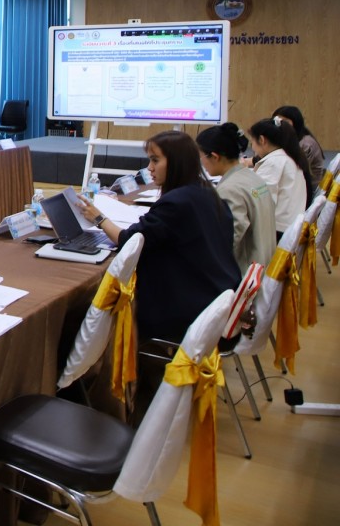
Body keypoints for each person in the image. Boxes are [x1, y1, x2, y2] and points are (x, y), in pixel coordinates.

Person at [76, 131, 239, 421]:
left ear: (175, 162)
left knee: (98, 309)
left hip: (186, 311)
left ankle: (102, 402)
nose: (149, 168)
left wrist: (98, 218)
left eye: (155, 160)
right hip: (216, 301)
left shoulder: (177, 203)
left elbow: (129, 239)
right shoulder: (208, 194)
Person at [197, 123, 276, 272]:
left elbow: (227, 241)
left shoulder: (230, 190)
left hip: (246, 275)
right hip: (264, 266)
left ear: (215, 157)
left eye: (201, 157)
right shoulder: (252, 177)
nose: (201, 163)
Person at [248, 117, 311, 238]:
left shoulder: (273, 163)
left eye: (252, 142)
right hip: (287, 228)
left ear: (262, 140)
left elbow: (260, 202)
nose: (252, 148)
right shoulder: (287, 157)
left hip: (275, 232)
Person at [273, 105, 325, 189]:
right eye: (277, 121)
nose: (280, 125)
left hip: (307, 188)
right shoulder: (289, 138)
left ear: (295, 122)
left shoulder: (306, 144)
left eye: (284, 121)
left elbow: (293, 171)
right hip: (298, 184)